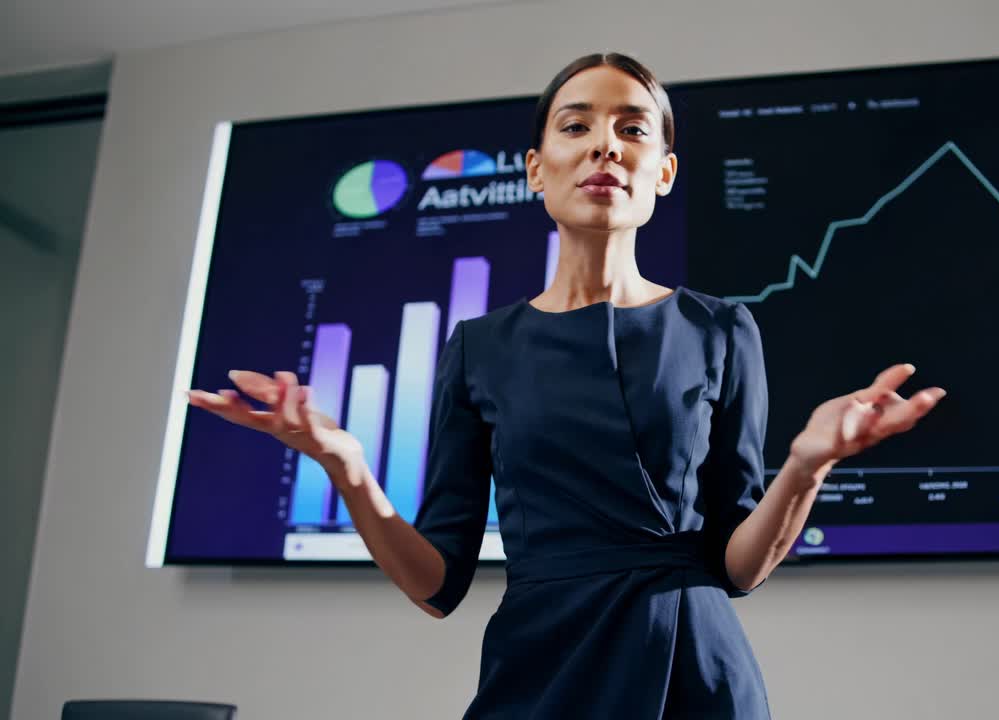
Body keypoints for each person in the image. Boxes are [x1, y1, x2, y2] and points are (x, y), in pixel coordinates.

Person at [187, 52, 946, 719]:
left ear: (664, 172)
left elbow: (738, 567)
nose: (604, 145)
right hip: (541, 668)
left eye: (633, 128)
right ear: (535, 168)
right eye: (576, 125)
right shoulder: (479, 347)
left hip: (689, 671)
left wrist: (808, 465)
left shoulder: (722, 329)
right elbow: (437, 584)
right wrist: (346, 465)